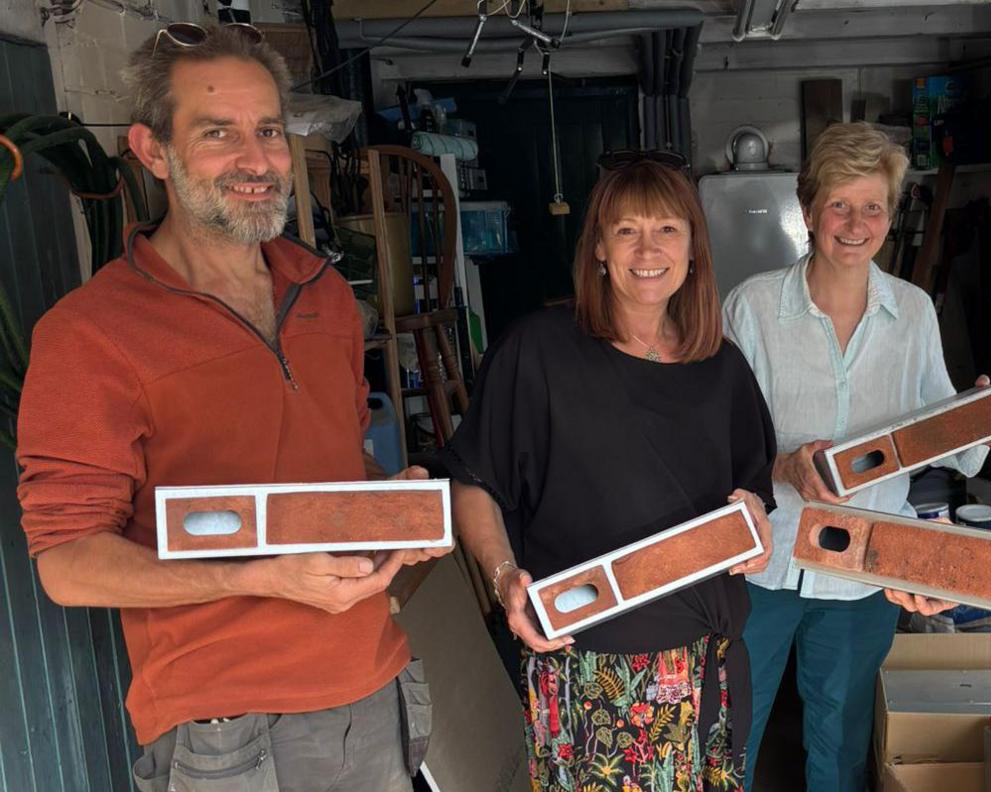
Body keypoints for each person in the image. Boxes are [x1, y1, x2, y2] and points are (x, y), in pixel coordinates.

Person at [16, 25, 447, 791]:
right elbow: (67, 564)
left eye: (269, 131)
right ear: (153, 151)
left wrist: (388, 509)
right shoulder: (91, 335)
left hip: (374, 686)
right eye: (219, 134)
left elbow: (335, 461)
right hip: (232, 730)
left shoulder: (322, 295)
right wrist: (258, 577)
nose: (257, 161)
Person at [441, 154, 776, 792]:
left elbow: (752, 493)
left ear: (694, 249)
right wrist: (504, 576)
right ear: (599, 248)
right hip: (591, 667)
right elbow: (471, 479)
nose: (648, 249)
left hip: (708, 665)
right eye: (627, 230)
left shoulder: (721, 367)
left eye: (668, 230)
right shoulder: (536, 353)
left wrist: (755, 524)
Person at [723, 122, 991, 792]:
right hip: (761, 562)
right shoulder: (752, 307)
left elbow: (948, 444)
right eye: (839, 205)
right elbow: (715, 449)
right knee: (729, 736)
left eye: (873, 207)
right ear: (809, 206)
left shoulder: (911, 313)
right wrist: (784, 467)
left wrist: (976, 422)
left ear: (891, 212)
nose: (856, 224)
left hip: (864, 567)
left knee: (840, 747)